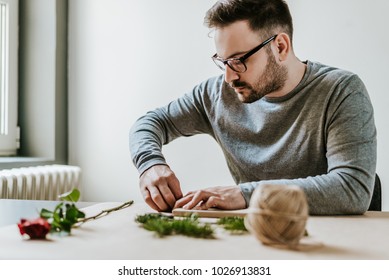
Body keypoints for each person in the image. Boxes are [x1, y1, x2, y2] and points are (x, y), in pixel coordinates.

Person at [129, 0, 376, 215]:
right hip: (258, 236)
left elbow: (351, 189)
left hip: (332, 241)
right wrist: (150, 164)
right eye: (222, 61)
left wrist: (245, 194)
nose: (228, 77)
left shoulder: (341, 91)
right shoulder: (215, 94)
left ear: (280, 46)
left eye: (238, 60)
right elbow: (150, 124)